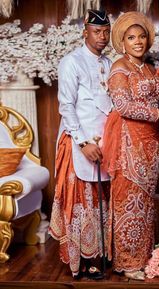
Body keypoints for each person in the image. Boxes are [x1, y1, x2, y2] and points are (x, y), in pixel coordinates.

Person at [102, 11, 159, 280]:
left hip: (151, 143)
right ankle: (127, 263)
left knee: (146, 203)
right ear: (123, 43)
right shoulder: (119, 69)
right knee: (129, 201)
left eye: (141, 36)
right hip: (128, 143)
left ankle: (141, 257)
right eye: (131, 37)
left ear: (147, 40)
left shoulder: (150, 68)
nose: (137, 41)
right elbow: (124, 106)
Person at [48, 9, 112, 279]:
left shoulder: (110, 63)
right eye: (97, 32)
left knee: (102, 200)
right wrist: (84, 142)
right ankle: (82, 261)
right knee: (80, 202)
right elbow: (66, 106)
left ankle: (99, 255)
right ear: (85, 31)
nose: (102, 37)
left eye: (106, 32)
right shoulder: (71, 62)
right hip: (78, 140)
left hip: (105, 140)